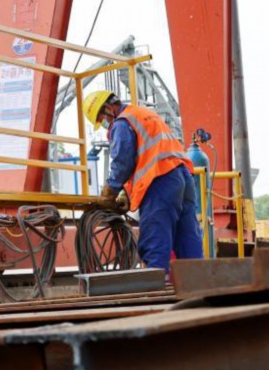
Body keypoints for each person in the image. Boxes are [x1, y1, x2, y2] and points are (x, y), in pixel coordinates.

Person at [83, 90, 203, 272]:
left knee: (155, 239)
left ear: (108, 108)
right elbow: (144, 157)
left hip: (161, 181)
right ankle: (197, 284)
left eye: (102, 119)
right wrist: (127, 194)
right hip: (183, 178)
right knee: (187, 237)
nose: (105, 125)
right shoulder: (144, 114)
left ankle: (157, 289)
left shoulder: (122, 123)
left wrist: (110, 192)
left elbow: (122, 162)